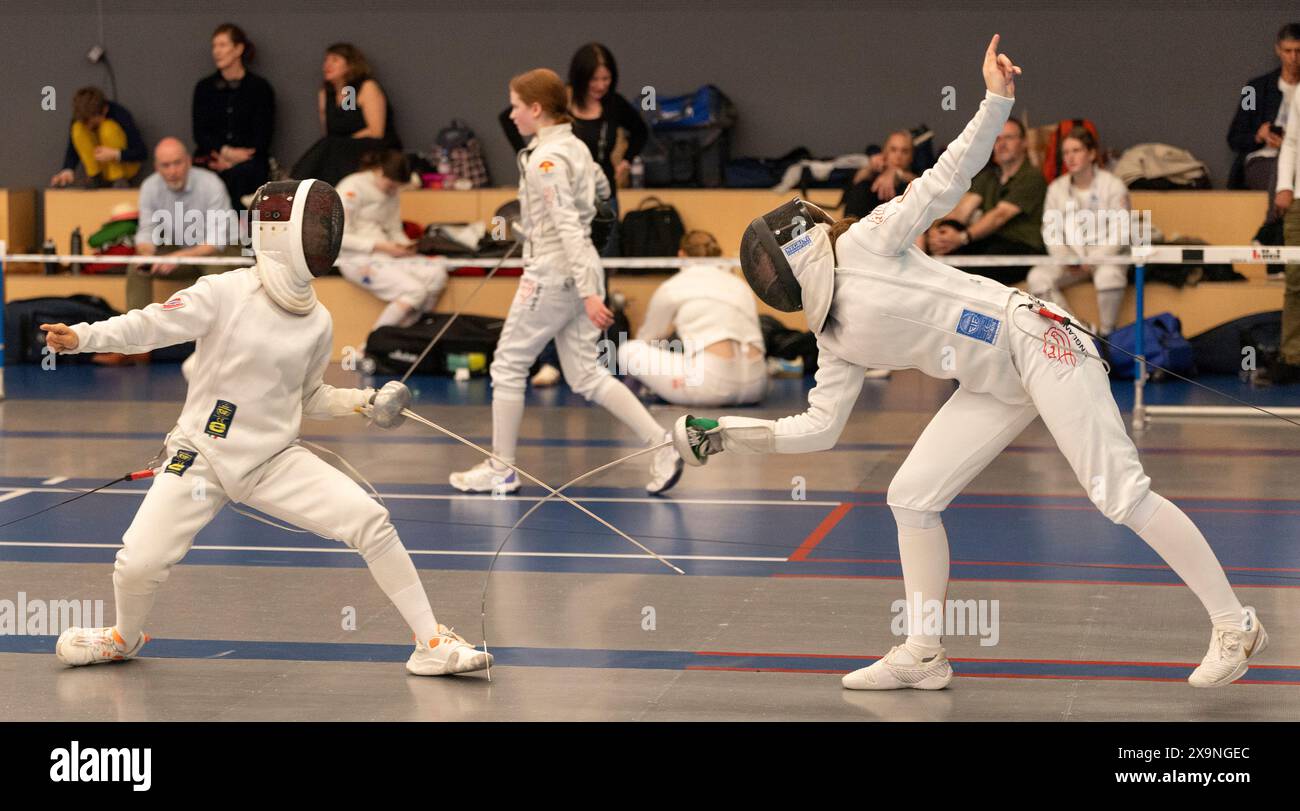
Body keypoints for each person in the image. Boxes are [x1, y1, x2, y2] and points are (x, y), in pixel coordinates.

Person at [678, 36, 1266, 691]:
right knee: (911, 495)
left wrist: (994, 101)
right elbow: (820, 427)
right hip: (994, 381)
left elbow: (946, 178)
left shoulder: (867, 242)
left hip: (1039, 342)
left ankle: (1235, 622)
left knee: (1119, 493)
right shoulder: (834, 337)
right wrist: (726, 431)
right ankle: (924, 652)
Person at [40, 179, 490, 677]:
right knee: (138, 562)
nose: (323, 237)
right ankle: (123, 638)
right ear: (282, 233)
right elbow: (151, 325)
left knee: (369, 519)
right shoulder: (226, 291)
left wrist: (366, 402)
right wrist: (84, 336)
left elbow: (308, 397)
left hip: (272, 460)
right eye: (314, 227)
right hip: (202, 455)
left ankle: (430, 642)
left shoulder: (317, 319)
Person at [451, 68, 682, 496]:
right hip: (576, 271)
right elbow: (600, 199)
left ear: (536, 109)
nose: (513, 114)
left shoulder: (547, 160)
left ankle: (502, 469)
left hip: (555, 276)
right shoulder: (575, 148)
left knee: (507, 365)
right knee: (586, 376)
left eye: (517, 106)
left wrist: (589, 292)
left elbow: (569, 226)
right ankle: (663, 446)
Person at [618, 230, 766, 407]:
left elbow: (648, 338)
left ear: (681, 255)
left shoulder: (674, 286)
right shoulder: (740, 285)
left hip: (711, 386)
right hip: (757, 385)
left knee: (628, 349)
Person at [1026, 127, 1130, 336]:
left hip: (1106, 259)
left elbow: (1121, 232)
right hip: (1071, 262)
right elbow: (1051, 231)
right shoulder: (1056, 188)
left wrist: (1092, 259)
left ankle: (1107, 336)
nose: (1070, 157)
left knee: (1109, 277)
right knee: (1038, 277)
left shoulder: (1114, 186)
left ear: (1091, 154)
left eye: (1076, 150)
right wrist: (1067, 258)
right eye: (1065, 152)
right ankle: (1077, 332)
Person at [336, 150, 448, 334]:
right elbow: (338, 237)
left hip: (387, 253)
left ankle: (409, 335)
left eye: (396, 187)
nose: (392, 191)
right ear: (379, 171)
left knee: (437, 273)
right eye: (390, 185)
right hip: (357, 258)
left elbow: (394, 229)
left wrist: (405, 245)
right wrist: (381, 247)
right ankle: (372, 346)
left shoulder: (393, 191)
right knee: (414, 291)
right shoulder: (351, 187)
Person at [929, 116, 1047, 285]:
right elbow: (962, 212)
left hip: (1022, 248)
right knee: (940, 262)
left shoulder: (1032, 176)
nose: (1002, 143)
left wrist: (962, 237)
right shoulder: (989, 177)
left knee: (966, 274)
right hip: (990, 241)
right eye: (997, 139)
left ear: (1024, 142)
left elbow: (1000, 215)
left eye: (1009, 138)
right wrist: (940, 233)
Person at [130, 137, 238, 313]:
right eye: (166, 165)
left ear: (188, 161)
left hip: (225, 250)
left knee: (215, 269)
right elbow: (146, 231)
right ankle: (136, 332)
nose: (172, 171)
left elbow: (215, 242)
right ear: (157, 167)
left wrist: (178, 257)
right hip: (185, 250)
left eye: (177, 163)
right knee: (137, 266)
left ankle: (218, 330)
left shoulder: (211, 184)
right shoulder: (149, 186)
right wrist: (146, 254)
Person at [291, 43, 400, 185]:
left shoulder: (365, 87)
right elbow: (331, 131)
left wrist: (342, 142)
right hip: (341, 150)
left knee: (331, 146)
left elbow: (376, 132)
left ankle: (293, 183)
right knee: (330, 147)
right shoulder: (327, 93)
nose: (327, 65)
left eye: (335, 60)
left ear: (350, 64)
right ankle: (299, 187)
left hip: (373, 148)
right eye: (326, 60)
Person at [192, 23, 275, 204]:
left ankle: (241, 230)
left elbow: (263, 136)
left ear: (238, 49)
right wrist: (225, 152)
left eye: (222, 45)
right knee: (201, 177)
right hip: (212, 157)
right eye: (214, 46)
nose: (216, 51)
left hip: (249, 161)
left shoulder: (260, 88)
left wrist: (234, 160)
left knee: (243, 175)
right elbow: (200, 132)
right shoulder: (204, 87)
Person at [1227, 23, 1300, 192]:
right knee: (1279, 177)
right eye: (1288, 51)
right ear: (1278, 50)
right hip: (1263, 159)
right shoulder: (1253, 88)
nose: (1293, 58)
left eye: (1298, 51)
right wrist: (1259, 136)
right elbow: (1235, 137)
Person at [50, 87, 146, 188]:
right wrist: (68, 169)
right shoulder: (81, 119)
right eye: (85, 122)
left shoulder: (120, 114)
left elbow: (141, 152)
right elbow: (73, 147)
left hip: (124, 166)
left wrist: (115, 154)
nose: (89, 126)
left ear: (104, 110)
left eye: (92, 122)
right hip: (100, 168)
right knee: (78, 128)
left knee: (107, 127)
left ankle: (119, 180)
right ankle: (95, 178)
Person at [842, 131, 917, 218]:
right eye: (893, 150)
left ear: (911, 156)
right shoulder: (871, 176)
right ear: (885, 152)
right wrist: (870, 167)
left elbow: (918, 180)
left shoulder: (916, 180)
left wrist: (896, 173)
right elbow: (856, 181)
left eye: (905, 151)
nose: (898, 156)